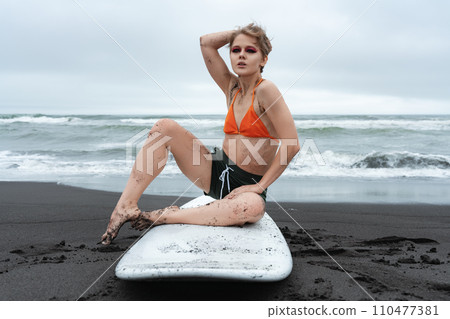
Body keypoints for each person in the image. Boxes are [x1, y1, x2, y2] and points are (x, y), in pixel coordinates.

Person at [101, 23, 300, 245]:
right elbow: (206, 42)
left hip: (246, 187)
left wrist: (259, 187)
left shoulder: (265, 90)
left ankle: (164, 216)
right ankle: (125, 206)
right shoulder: (232, 88)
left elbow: (292, 145)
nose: (241, 55)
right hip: (215, 172)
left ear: (263, 60)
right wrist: (239, 32)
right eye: (236, 50)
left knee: (251, 207)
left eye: (250, 50)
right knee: (163, 128)